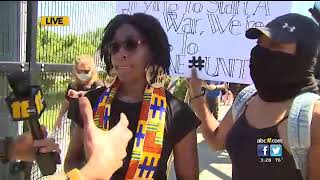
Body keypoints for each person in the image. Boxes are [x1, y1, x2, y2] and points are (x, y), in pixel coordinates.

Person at [64, 13, 200, 180]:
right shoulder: (89, 104)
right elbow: (71, 162)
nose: (120, 53)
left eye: (130, 44)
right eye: (114, 47)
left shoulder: (178, 114)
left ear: (153, 51)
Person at [188, 13, 320, 180]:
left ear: (305, 55)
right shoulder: (247, 98)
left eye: (275, 44)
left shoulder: (312, 119)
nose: (262, 52)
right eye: (260, 43)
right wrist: (196, 94)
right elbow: (216, 140)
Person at [54, 55, 104, 130]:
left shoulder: (97, 86)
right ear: (75, 70)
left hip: (92, 124)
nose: (82, 74)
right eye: (79, 71)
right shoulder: (73, 86)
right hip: (75, 122)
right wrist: (59, 117)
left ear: (92, 70)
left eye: (86, 71)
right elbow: (67, 102)